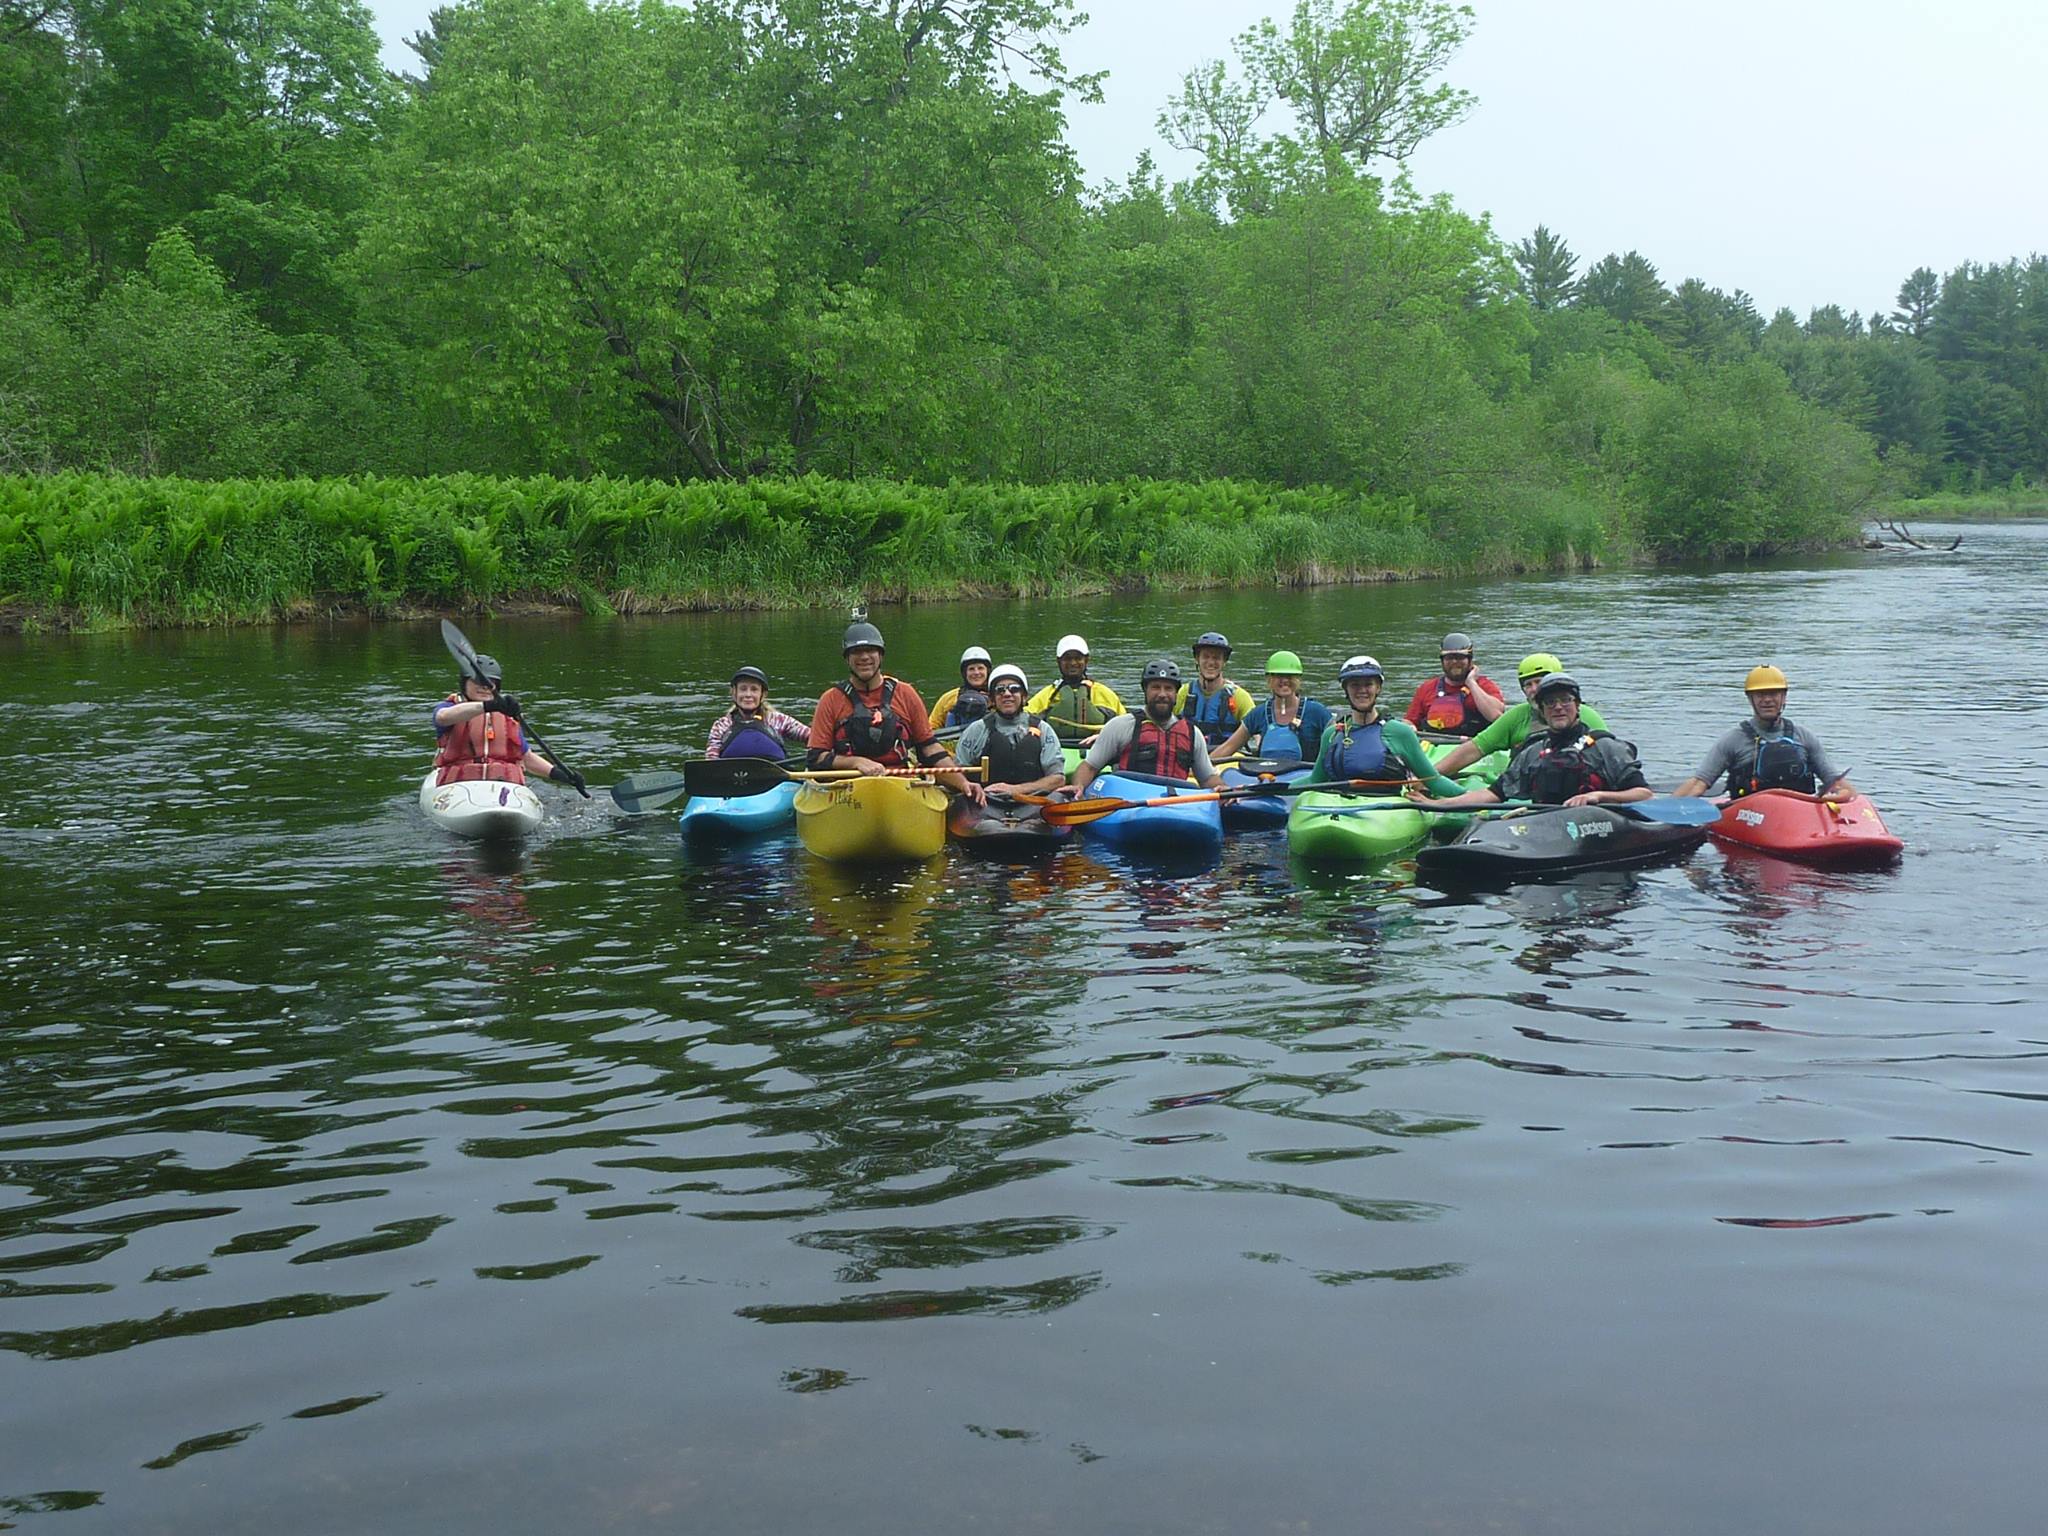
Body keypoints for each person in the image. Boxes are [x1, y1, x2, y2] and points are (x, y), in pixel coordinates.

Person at [1408, 673, 1651, 812]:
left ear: (1578, 706)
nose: (1558, 707)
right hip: (1549, 826)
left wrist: (1598, 796)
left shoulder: (1605, 747)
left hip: (1600, 826)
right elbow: (1493, 794)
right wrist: (1439, 805)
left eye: (1565, 701)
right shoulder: (1533, 752)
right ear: (1543, 710)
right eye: (1550, 703)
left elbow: (1643, 794)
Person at [806, 622, 984, 803]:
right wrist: (856, 762)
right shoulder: (831, 699)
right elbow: (816, 758)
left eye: (871, 651)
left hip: (900, 785)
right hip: (847, 789)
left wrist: (962, 783)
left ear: (881, 655)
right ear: (847, 658)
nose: (865, 657)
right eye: (857, 652)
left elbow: (929, 749)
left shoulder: (905, 694)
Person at [1672, 666, 1855, 800]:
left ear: (1783, 697)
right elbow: (1699, 783)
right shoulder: (1733, 740)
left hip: (1801, 814)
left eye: (1773, 694)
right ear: (1750, 699)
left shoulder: (1804, 737)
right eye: (1760, 694)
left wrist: (1844, 797)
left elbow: (1836, 782)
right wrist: (1670, 807)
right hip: (1751, 817)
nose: (1767, 700)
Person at [1432, 652, 1612, 777]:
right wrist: (1428, 777)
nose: (1534, 690)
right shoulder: (1517, 716)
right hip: (1525, 790)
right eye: (1528, 684)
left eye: (1539, 682)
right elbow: (1474, 749)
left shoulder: (1588, 716)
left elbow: (1611, 758)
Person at [431, 653, 585, 792]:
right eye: (478, 681)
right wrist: (488, 706)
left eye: (491, 683)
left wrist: (559, 774)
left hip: (502, 785)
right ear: (464, 683)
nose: (485, 687)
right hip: (459, 785)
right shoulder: (449, 708)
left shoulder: (507, 716)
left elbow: (526, 758)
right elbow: (443, 717)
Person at [1068, 660, 1227, 794]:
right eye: (1156, 687)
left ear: (1176, 694)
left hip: (1176, 805)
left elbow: (1207, 778)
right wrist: (1078, 788)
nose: (1162, 694)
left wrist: (1222, 789)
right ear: (1145, 690)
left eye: (1168, 688)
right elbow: (1089, 767)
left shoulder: (1192, 734)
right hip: (1129, 802)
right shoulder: (1121, 726)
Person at [1315, 656, 1463, 795]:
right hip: (1337, 806)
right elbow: (1314, 780)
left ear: (1378, 688)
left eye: (1368, 684)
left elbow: (1433, 780)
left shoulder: (1400, 732)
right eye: (1354, 685)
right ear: (1345, 689)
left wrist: (1472, 798)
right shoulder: (1332, 734)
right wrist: (1290, 785)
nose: (1362, 690)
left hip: (1384, 809)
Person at [951, 665, 1065, 797]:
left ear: (1024, 696)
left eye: (1014, 689)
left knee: (1058, 797)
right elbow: (957, 774)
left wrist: (1016, 789)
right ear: (992, 699)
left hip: (1031, 803)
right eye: (1000, 690)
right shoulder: (976, 730)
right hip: (985, 803)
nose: (1007, 694)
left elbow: (1058, 779)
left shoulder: (1043, 729)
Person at [1206, 650, 1331, 764]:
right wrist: (1201, 768)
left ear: (1299, 680)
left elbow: (1338, 744)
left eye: (1290, 676)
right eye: (1278, 676)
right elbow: (1229, 747)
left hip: (1305, 781)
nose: (1285, 681)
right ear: (1269, 680)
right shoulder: (1258, 714)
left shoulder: (1317, 712)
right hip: (1267, 778)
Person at [1026, 634, 1125, 745]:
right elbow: (1022, 718)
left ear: (1086, 660)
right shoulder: (1048, 695)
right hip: (1056, 749)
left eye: (1078, 658)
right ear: (1058, 661)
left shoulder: (1103, 693)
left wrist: (1104, 736)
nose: (1073, 663)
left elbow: (1125, 726)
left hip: (1097, 751)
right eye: (1067, 658)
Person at [1403, 631, 1506, 737]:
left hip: (1475, 748)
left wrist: (1471, 683)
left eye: (1460, 657)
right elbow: (1409, 721)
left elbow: (1496, 716)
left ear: (1470, 660)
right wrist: (1409, 727)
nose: (1454, 662)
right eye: (1449, 658)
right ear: (1442, 661)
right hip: (1433, 748)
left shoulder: (1485, 686)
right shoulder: (1426, 688)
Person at [704, 666, 811, 760]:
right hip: (734, 779)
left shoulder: (779, 720)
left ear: (763, 695)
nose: (748, 695)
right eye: (743, 689)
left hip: (777, 780)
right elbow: (711, 760)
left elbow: (811, 736)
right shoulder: (721, 726)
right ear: (734, 693)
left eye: (754, 689)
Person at [1175, 631, 1256, 748]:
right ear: (1197, 659)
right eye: (1206, 657)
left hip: (1227, 758)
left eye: (1216, 658)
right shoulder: (1183, 692)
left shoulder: (1239, 696)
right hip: (1189, 754)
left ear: (1224, 661)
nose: (1211, 662)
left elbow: (1257, 729)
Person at [930, 646, 994, 728]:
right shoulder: (949, 698)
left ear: (987, 671)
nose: (976, 672)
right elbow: (932, 726)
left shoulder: (997, 697)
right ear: (965, 673)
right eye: (971, 669)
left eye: (980, 668)